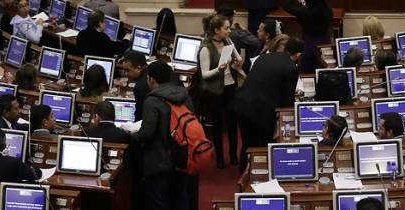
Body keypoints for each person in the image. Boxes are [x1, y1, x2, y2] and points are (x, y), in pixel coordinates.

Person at [234, 37, 303, 171]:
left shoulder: (264, 57)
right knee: (265, 145)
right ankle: (262, 174)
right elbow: (287, 102)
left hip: (242, 104)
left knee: (247, 144)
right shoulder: (291, 67)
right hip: (262, 111)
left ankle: (244, 173)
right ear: (298, 55)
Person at [130, 61, 191, 210]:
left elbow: (147, 133)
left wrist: (133, 136)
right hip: (181, 155)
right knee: (179, 197)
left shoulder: (152, 101)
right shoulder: (184, 95)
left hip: (159, 160)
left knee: (158, 200)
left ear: (151, 79)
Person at [198, 14, 245, 168]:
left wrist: (238, 61)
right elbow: (204, 74)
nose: (229, 31)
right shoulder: (206, 48)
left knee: (232, 123)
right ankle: (219, 157)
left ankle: (233, 155)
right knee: (217, 125)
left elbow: (238, 60)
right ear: (216, 30)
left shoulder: (228, 42)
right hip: (215, 91)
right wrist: (218, 69)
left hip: (230, 86)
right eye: (226, 28)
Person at [283, 0, 333, 73]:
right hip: (325, 43)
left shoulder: (304, 12)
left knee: (308, 72)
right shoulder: (328, 10)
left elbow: (286, 6)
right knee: (326, 68)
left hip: (309, 45)